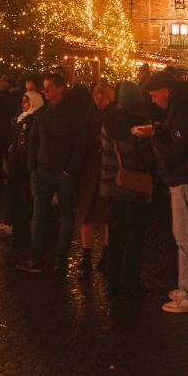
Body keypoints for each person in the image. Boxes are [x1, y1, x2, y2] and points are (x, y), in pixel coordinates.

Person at [139, 70, 188, 314]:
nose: (153, 101)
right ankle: (187, 287)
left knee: (186, 238)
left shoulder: (183, 113)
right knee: (184, 236)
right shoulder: (187, 107)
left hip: (186, 179)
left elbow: (178, 151)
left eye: (154, 95)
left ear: (166, 91)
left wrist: (156, 137)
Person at [18, 72, 86, 273]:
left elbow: (79, 143)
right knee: (39, 215)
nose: (45, 91)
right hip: (42, 171)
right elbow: (33, 141)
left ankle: (61, 258)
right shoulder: (41, 114)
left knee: (65, 216)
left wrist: (69, 170)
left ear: (60, 88)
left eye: (49, 87)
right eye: (44, 87)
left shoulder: (73, 114)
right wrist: (33, 168)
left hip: (62, 173)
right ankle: (35, 257)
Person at [99, 82, 154, 298]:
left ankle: (112, 281)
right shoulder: (140, 125)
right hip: (134, 187)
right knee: (134, 236)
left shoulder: (108, 122)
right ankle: (130, 283)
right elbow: (147, 157)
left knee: (115, 234)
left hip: (111, 184)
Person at [75, 82, 115, 277]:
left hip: (106, 169)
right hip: (90, 169)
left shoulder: (113, 117)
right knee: (87, 214)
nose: (99, 101)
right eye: (97, 97)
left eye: (103, 97)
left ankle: (107, 253)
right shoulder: (86, 115)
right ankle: (87, 254)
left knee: (108, 214)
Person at [3, 90, 44, 247]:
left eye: (26, 101)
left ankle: (26, 235)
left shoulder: (34, 119)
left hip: (26, 164)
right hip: (18, 161)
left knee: (26, 199)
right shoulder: (23, 118)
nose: (23, 104)